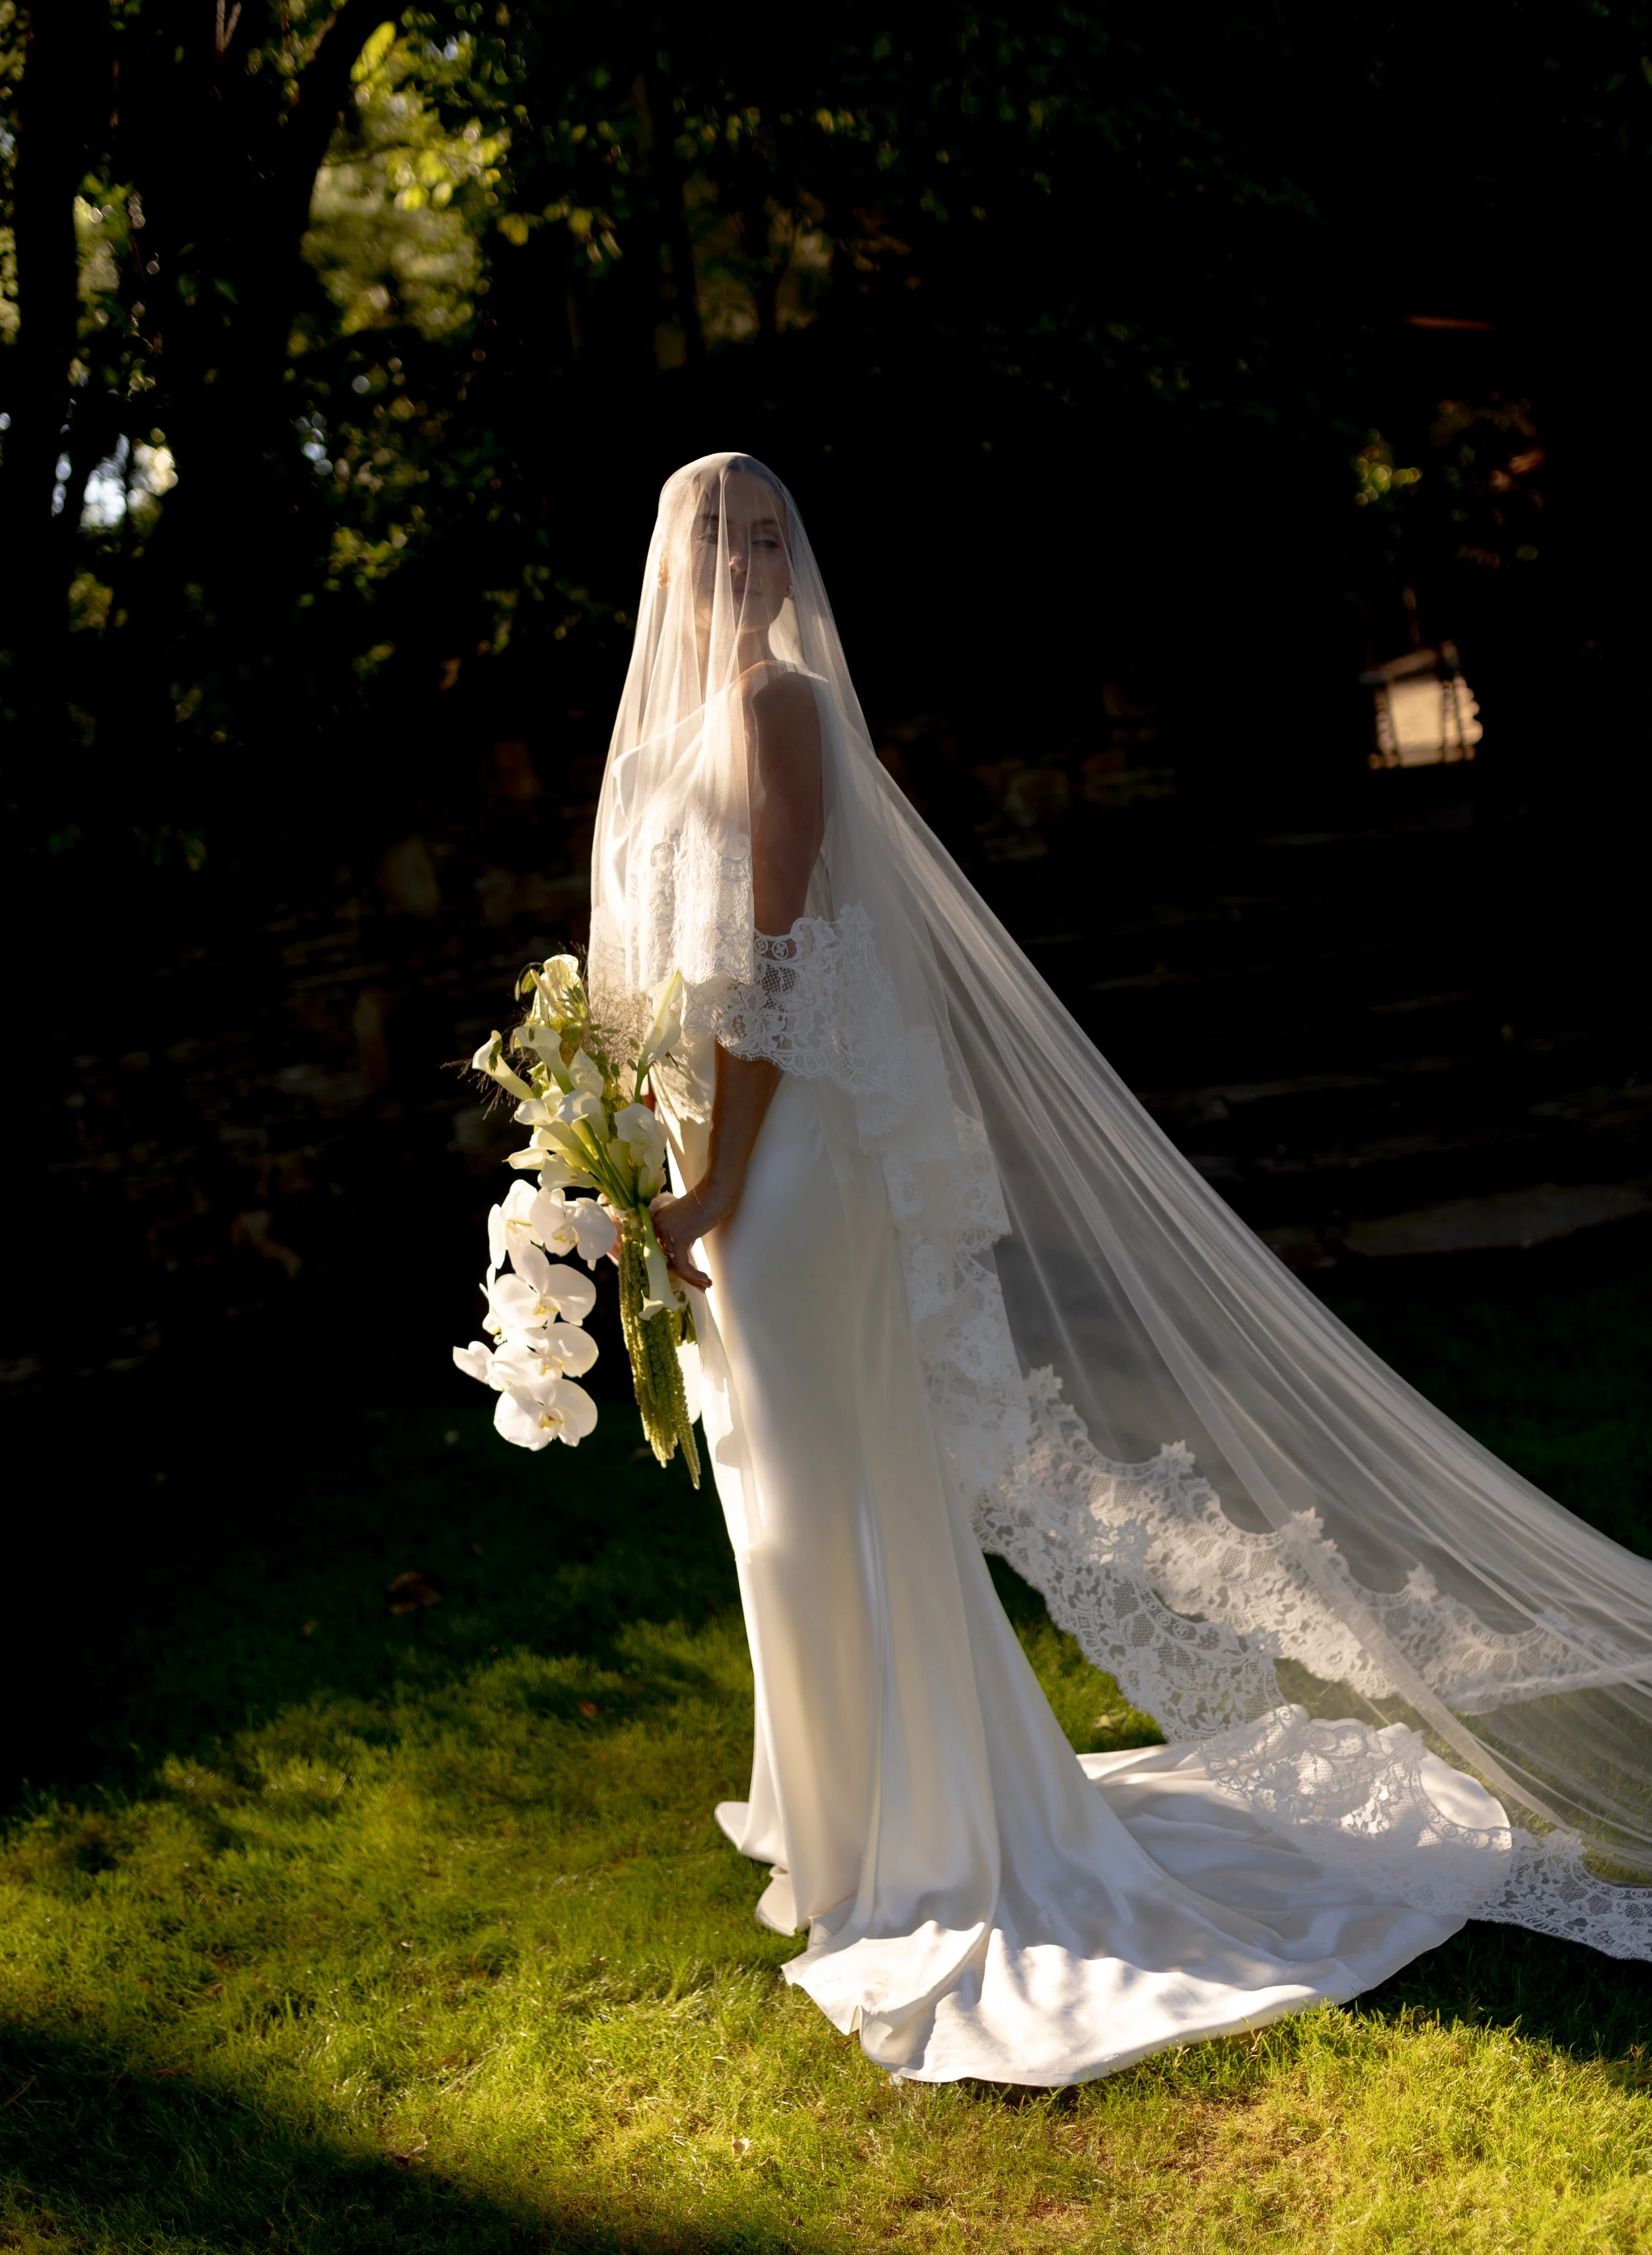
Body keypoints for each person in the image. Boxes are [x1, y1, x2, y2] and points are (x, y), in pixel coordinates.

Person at [585, 452, 1652, 2088]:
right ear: (665, 557)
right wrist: (620, 1155)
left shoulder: (786, 712)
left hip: (784, 1161)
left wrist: (719, 1177)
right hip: (697, 1143)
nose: (737, 556)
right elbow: (650, 976)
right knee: (768, 1495)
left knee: (832, 1492)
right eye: (707, 531)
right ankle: (851, 1832)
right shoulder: (654, 750)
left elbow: (788, 967)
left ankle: (935, 1842)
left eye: (764, 528)